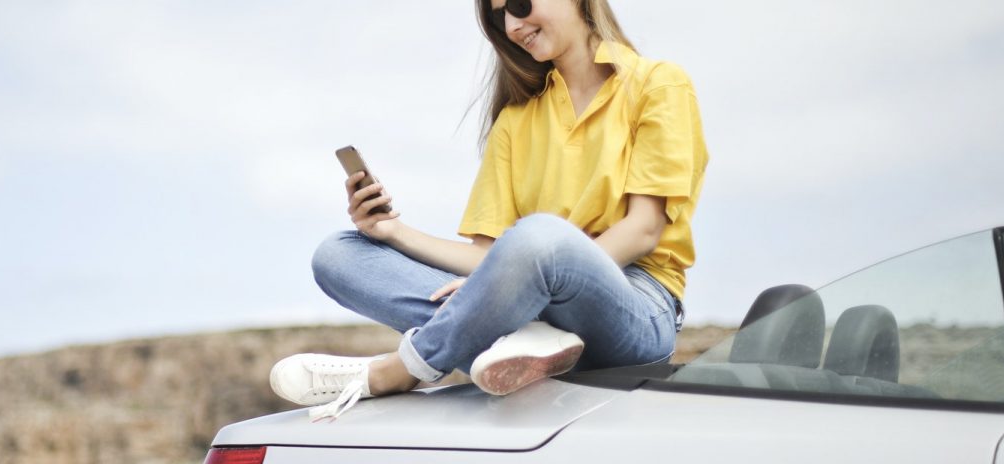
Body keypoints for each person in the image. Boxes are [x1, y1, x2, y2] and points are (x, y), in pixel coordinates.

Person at [272, 0, 708, 421]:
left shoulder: (657, 84)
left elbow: (643, 229)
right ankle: (520, 338)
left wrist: (510, 286)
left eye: (519, 4)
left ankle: (402, 369)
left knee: (541, 237)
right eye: (500, 18)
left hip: (635, 307)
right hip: (530, 307)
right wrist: (393, 232)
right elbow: (488, 257)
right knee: (338, 254)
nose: (513, 26)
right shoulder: (515, 121)